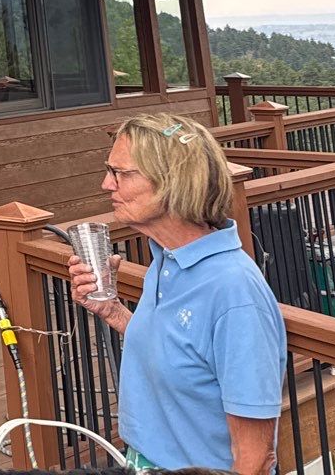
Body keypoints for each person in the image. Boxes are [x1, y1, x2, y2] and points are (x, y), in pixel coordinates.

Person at [68, 113, 285, 475]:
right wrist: (113, 312)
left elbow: (255, 458)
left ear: (172, 183)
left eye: (121, 173)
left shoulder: (233, 292)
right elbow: (181, 350)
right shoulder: (167, 257)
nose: (106, 184)